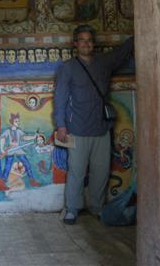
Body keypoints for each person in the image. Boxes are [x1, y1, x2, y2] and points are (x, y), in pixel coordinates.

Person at [54, 24, 134, 225]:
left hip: (101, 128)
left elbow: (121, 52)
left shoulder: (103, 63)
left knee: (101, 171)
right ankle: (71, 209)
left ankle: (97, 207)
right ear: (75, 44)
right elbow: (61, 98)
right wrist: (61, 125)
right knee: (77, 172)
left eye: (89, 40)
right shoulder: (67, 68)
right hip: (77, 129)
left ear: (93, 43)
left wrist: (137, 33)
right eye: (82, 40)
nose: (86, 43)